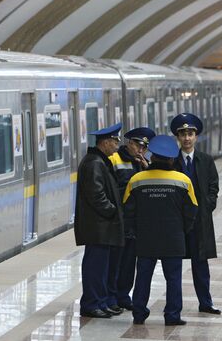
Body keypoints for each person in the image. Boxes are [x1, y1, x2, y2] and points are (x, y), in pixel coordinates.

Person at [123, 135, 197, 326]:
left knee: (143, 277)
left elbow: (128, 211)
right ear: (172, 159)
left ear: (152, 157)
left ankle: (139, 313)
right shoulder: (183, 180)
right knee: (173, 279)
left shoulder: (137, 179)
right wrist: (182, 230)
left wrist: (135, 231)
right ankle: (172, 315)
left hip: (146, 239)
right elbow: (192, 211)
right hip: (173, 239)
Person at [170, 113, 222, 315]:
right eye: (183, 134)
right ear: (178, 137)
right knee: (173, 266)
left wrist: (208, 205)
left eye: (190, 134)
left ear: (196, 136)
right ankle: (175, 307)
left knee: (200, 264)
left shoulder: (206, 160)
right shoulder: (171, 162)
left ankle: (206, 302)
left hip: (200, 222)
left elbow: (213, 186)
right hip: (177, 223)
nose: (187, 138)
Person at [75, 122, 125, 318]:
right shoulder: (94, 163)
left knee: (101, 268)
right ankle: (91, 304)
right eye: (115, 141)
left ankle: (100, 301)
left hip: (101, 227)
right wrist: (112, 211)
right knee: (95, 268)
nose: (117, 145)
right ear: (105, 142)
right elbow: (97, 195)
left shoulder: (99, 160)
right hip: (98, 227)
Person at [108, 127, 155, 311]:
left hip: (135, 222)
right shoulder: (114, 160)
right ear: (129, 144)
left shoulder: (143, 163)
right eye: (138, 146)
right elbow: (112, 189)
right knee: (115, 261)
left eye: (144, 147)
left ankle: (123, 295)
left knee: (129, 262)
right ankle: (111, 296)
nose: (141, 150)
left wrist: (147, 169)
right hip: (119, 219)